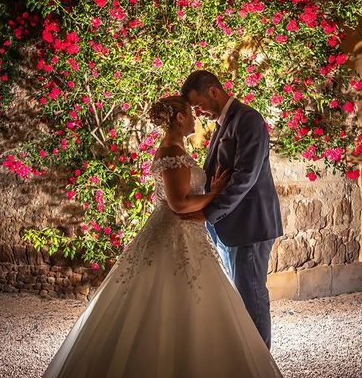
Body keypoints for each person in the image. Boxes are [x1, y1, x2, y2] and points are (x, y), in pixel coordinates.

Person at [42, 95, 283, 378]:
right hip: (175, 232)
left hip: (186, 235)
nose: (196, 117)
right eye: (191, 113)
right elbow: (179, 204)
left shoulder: (177, 149)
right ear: (179, 118)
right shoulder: (171, 152)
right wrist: (215, 193)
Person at [179, 70, 283, 349]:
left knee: (252, 297)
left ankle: (261, 364)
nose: (198, 112)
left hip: (249, 225)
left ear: (213, 91)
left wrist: (209, 213)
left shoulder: (248, 120)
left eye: (198, 104)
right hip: (229, 228)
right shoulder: (224, 123)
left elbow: (245, 178)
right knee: (240, 296)